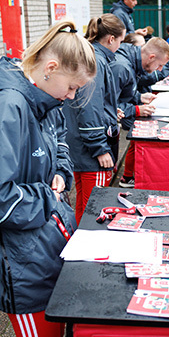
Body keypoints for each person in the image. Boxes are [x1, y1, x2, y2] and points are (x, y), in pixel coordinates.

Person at [0, 20, 96, 337]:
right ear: (50, 68)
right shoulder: (8, 106)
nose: (71, 96)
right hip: (19, 262)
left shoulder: (42, 98)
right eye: (72, 86)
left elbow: (58, 141)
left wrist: (61, 172)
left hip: (39, 248)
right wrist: (47, 196)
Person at [63, 14, 125, 224]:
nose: (120, 46)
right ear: (111, 39)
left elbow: (93, 103)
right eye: (120, 41)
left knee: (84, 204)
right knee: (94, 209)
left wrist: (110, 112)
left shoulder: (89, 55)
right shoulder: (96, 61)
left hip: (78, 142)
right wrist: (100, 148)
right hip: (90, 150)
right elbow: (88, 106)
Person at [112, 38, 169, 188]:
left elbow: (124, 94)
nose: (160, 70)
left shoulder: (131, 64)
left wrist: (140, 97)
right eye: (159, 65)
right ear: (151, 57)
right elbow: (109, 105)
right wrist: (137, 109)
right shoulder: (122, 67)